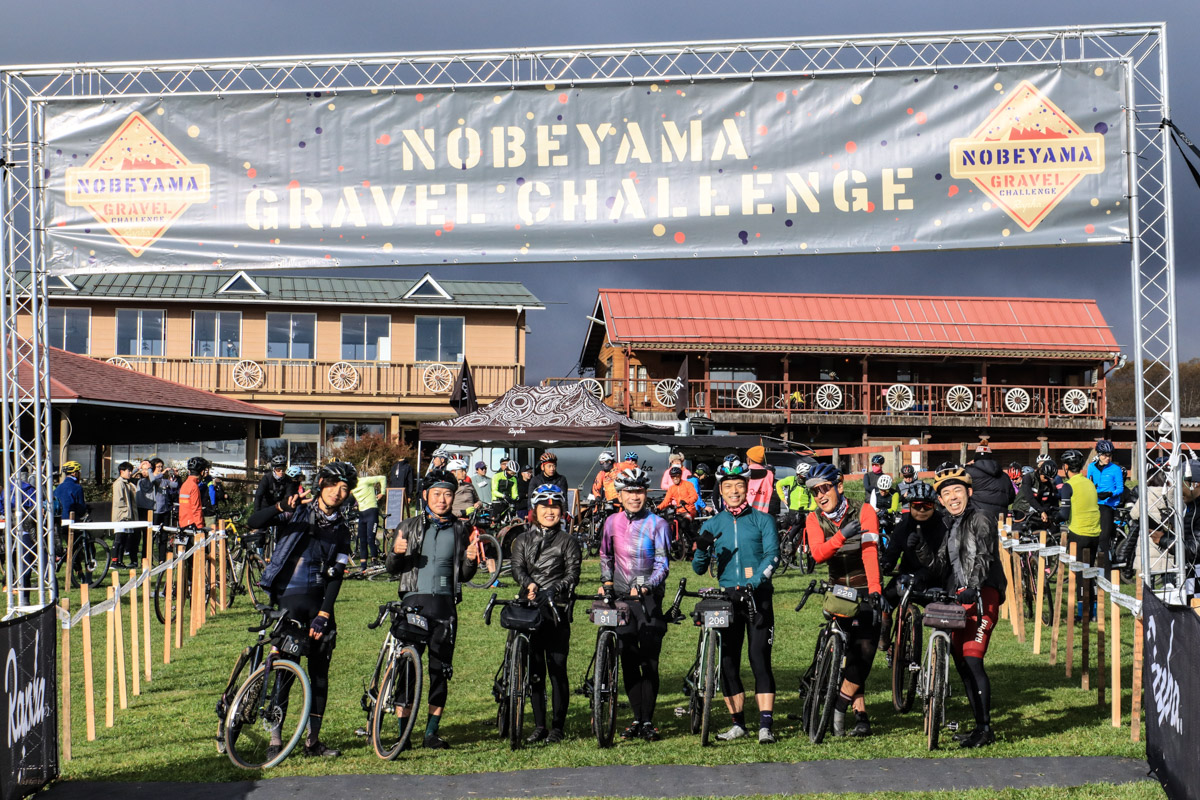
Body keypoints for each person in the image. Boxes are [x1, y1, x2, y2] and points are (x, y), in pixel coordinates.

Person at [249, 461, 357, 759]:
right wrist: (281, 505)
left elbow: (337, 576)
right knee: (285, 671)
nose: (338, 492)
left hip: (319, 606)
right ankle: (275, 740)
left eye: (345, 489)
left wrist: (324, 614)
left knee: (320, 675)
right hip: (289, 601)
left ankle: (313, 741)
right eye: (334, 485)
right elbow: (254, 521)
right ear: (321, 483)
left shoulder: (342, 529)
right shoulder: (296, 511)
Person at [910, 465, 1007, 749]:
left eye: (957, 491)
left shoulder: (981, 518)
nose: (953, 497)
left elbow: (984, 556)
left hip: (983, 594)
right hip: (962, 597)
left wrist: (974, 587)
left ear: (969, 492)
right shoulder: (951, 526)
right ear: (940, 500)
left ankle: (986, 729)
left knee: (974, 659)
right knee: (962, 663)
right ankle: (978, 727)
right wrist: (921, 550)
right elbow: (941, 564)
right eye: (946, 493)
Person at [385, 468, 480, 749]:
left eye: (448, 494)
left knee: (440, 669)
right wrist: (395, 552)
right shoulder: (408, 525)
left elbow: (463, 575)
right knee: (407, 670)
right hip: (414, 602)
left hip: (444, 606)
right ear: (426, 495)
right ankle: (403, 733)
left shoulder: (461, 528)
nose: (442, 499)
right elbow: (393, 569)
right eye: (436, 494)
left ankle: (431, 733)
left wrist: (471, 560)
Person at [692, 458, 780, 744]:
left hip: (757, 597)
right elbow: (697, 568)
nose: (733, 491)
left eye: (738, 485)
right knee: (728, 662)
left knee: (759, 660)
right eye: (727, 486)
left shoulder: (763, 519)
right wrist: (702, 549)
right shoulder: (714, 522)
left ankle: (765, 725)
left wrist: (752, 584)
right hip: (727, 599)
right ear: (720, 489)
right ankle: (738, 723)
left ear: (747, 487)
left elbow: (772, 557)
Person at [804, 462, 883, 737]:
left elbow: (870, 551)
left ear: (839, 486)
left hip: (864, 587)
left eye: (824, 489)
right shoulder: (814, 519)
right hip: (837, 591)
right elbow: (817, 554)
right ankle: (853, 710)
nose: (820, 496)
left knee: (864, 653)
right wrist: (841, 535)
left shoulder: (864, 511)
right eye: (814, 492)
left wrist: (874, 590)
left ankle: (841, 705)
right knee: (848, 653)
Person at [599, 466, 670, 741]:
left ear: (646, 493)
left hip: (648, 598)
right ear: (620, 494)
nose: (634, 497)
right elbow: (606, 556)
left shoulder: (657, 524)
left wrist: (648, 585)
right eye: (629, 492)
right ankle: (636, 718)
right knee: (628, 658)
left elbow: (663, 563)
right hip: (621, 599)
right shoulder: (611, 523)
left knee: (650, 661)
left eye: (639, 491)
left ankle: (648, 721)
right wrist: (607, 582)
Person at [509, 484, 582, 744]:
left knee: (557, 668)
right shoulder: (523, 540)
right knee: (535, 669)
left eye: (554, 507)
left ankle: (558, 726)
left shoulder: (569, 541)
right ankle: (539, 724)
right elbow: (517, 567)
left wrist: (552, 590)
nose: (550, 512)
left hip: (556, 609)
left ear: (562, 511)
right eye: (544, 507)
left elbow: (573, 573)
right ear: (535, 510)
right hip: (529, 609)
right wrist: (529, 584)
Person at [878, 480, 946, 648]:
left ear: (934, 506)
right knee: (885, 601)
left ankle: (938, 651)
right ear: (910, 506)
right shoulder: (903, 526)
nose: (921, 510)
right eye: (916, 505)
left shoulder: (943, 525)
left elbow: (943, 560)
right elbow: (892, 552)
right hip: (906, 574)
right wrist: (886, 564)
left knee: (943, 613)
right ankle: (885, 630)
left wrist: (926, 574)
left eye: (927, 506)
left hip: (934, 577)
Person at [1058, 449, 1102, 619]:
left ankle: (1081, 613)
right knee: (1090, 571)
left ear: (1066, 467)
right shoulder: (1089, 483)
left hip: (1078, 533)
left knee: (1079, 575)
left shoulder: (1068, 486)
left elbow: (1063, 514)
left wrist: (1055, 518)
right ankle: (1094, 612)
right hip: (1094, 533)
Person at [1087, 440, 1124, 565]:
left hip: (1108, 505)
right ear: (1098, 454)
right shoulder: (1091, 467)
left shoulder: (1115, 469)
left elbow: (1120, 488)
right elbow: (1088, 483)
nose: (1107, 458)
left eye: (1109, 455)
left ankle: (1107, 568)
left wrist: (1110, 494)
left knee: (1103, 538)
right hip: (1094, 502)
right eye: (1104, 455)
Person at [964, 444, 1015, 528]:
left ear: (975, 458)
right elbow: (1011, 497)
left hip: (978, 521)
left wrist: (964, 465)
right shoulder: (1005, 476)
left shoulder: (968, 472)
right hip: (1001, 522)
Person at [1011, 459, 1060, 534]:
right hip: (1021, 511)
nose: (1047, 480)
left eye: (1050, 478)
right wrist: (1042, 511)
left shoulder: (1049, 484)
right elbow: (1029, 497)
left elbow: (1048, 502)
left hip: (1036, 512)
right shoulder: (1029, 478)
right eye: (1046, 477)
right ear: (1040, 472)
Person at [350, 468, 388, 562]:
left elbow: (382, 478)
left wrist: (382, 493)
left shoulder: (364, 481)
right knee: (362, 540)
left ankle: (374, 560)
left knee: (370, 538)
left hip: (371, 511)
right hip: (362, 513)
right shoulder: (351, 487)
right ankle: (363, 566)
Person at [110, 461, 138, 567]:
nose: (130, 473)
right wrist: (126, 514)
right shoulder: (119, 483)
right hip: (121, 517)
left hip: (126, 517)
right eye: (128, 471)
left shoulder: (126, 483)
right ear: (122, 471)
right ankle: (114, 561)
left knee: (124, 539)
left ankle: (120, 561)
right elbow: (119, 501)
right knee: (118, 539)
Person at [178, 457, 208, 531]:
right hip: (193, 524)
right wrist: (200, 526)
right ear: (202, 472)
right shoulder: (194, 486)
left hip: (183, 523)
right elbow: (196, 508)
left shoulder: (185, 484)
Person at [745, 445, 775, 515]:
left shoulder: (745, 473)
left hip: (745, 512)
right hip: (763, 513)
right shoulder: (769, 474)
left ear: (749, 460)